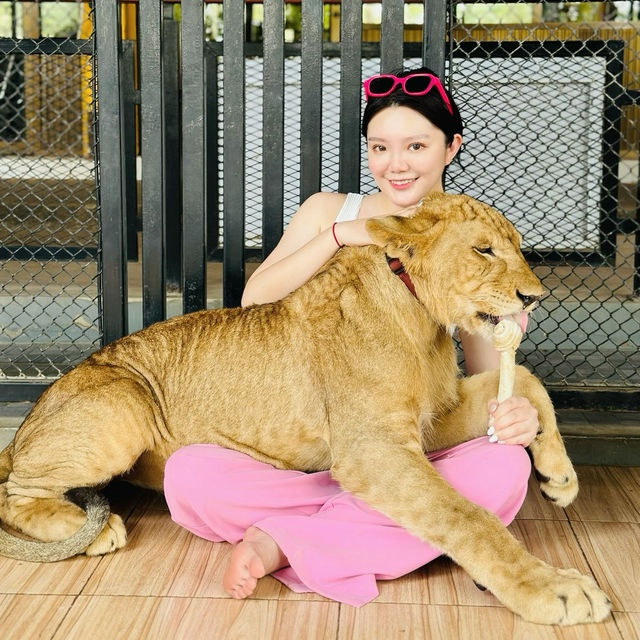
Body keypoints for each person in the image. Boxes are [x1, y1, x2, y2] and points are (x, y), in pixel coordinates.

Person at [163, 68, 539, 606]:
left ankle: (284, 540)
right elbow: (254, 305)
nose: (397, 163)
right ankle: (380, 528)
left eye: (416, 145)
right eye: (380, 147)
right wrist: (344, 235)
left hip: (406, 441)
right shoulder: (329, 211)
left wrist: (511, 411)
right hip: (308, 443)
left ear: (452, 147)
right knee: (188, 476)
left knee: (502, 468)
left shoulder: (468, 237)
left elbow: (485, 372)